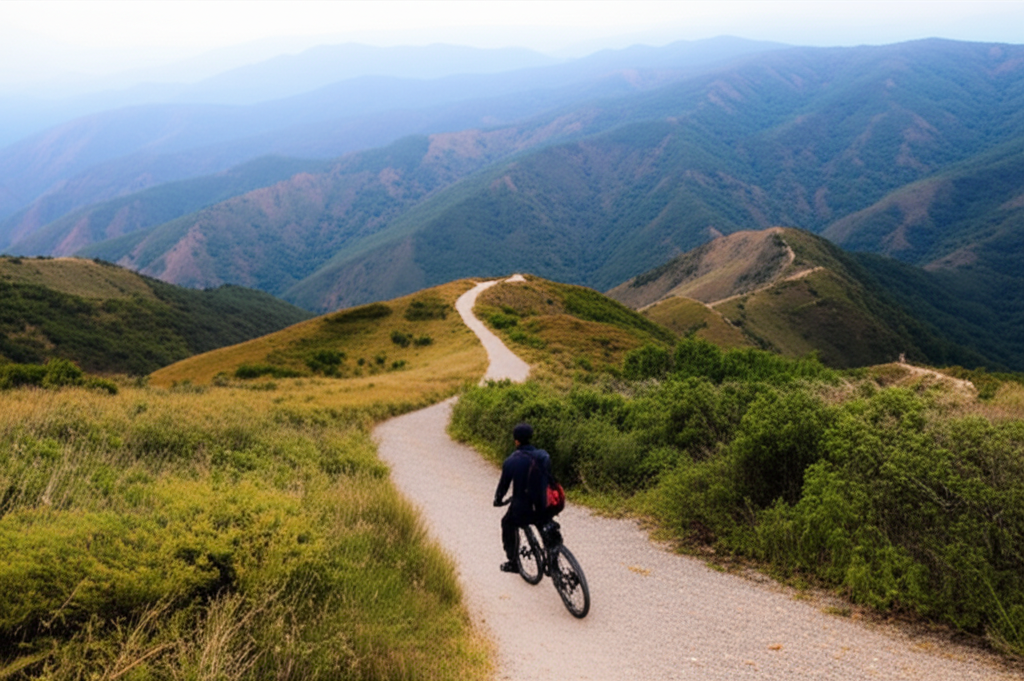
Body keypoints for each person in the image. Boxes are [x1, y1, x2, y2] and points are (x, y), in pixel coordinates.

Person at [493, 422, 552, 573]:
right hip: (545, 505)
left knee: (507, 523)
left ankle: (513, 562)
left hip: (523, 509)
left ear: (516, 440)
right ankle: (553, 560)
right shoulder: (543, 456)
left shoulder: (511, 461)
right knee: (544, 525)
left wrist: (498, 500)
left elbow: (503, 487)